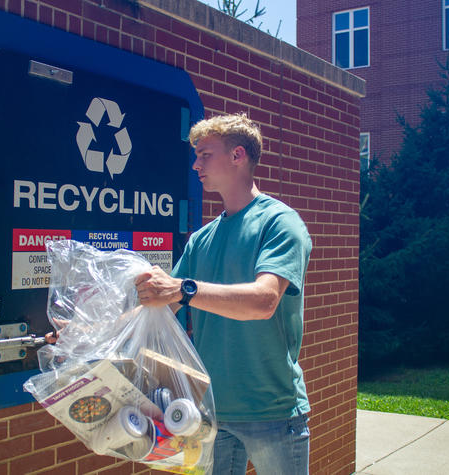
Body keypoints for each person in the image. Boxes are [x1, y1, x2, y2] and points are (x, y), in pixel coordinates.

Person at [134, 112, 312, 475]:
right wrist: (85, 337)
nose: (196, 164)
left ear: (238, 156)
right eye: (196, 156)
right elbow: (160, 306)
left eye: (205, 154)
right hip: (211, 410)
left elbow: (264, 301)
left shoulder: (280, 223)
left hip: (272, 410)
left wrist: (183, 288)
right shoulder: (202, 239)